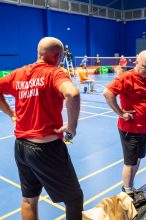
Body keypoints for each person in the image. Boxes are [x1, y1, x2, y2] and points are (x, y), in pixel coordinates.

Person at [0, 37, 83, 220]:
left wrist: (11, 114)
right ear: (58, 56)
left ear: (38, 53)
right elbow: (72, 93)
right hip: (47, 149)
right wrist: (72, 127)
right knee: (74, 199)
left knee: (29, 200)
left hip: (21, 147)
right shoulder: (54, 73)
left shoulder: (18, 74)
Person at [103, 50, 146, 197]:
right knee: (130, 162)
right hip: (130, 129)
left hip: (144, 128)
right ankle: (127, 192)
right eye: (145, 66)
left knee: (138, 158)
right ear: (136, 62)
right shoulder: (126, 77)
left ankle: (131, 185)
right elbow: (107, 93)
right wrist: (120, 113)